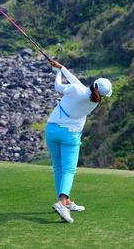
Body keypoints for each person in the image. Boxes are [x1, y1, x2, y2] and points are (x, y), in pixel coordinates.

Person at [46, 59, 113, 223]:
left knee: (59, 168)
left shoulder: (78, 90)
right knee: (68, 170)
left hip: (52, 130)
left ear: (93, 84)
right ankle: (63, 203)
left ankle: (65, 202)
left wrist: (58, 73)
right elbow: (77, 84)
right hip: (70, 135)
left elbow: (58, 87)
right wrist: (62, 67)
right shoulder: (93, 102)